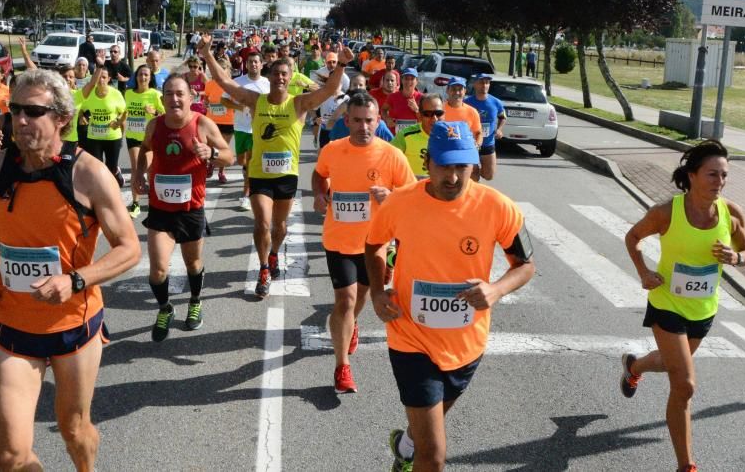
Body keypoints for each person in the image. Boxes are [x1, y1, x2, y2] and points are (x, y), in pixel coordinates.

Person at [0, 68, 140, 472]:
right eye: (15, 110)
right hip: (14, 325)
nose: (20, 120)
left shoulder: (88, 174)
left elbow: (129, 249)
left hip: (73, 326)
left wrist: (75, 279)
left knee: (73, 430)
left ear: (61, 118)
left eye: (33, 111)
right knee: (10, 456)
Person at [366, 121, 535, 471]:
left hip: (466, 343)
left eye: (462, 166)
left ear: (474, 165)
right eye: (445, 165)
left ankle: (405, 447)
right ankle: (416, 452)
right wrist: (378, 291)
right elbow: (373, 244)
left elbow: (525, 265)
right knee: (435, 455)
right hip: (410, 335)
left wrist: (496, 289)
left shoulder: (498, 207)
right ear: (428, 163)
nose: (453, 177)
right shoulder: (400, 203)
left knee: (427, 428)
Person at [621, 140, 745, 472]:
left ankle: (634, 367)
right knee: (685, 385)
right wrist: (644, 273)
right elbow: (632, 237)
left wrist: (735, 257)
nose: (719, 182)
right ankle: (686, 466)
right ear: (692, 175)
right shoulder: (667, 212)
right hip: (667, 304)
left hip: (704, 309)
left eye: (724, 176)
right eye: (712, 174)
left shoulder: (731, 212)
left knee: (669, 364)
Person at [198, 33, 354, 298]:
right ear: (269, 77)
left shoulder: (299, 104)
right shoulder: (256, 101)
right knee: (262, 223)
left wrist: (340, 65)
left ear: (290, 77)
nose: (280, 78)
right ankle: (262, 269)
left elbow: (329, 90)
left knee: (280, 227)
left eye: (285, 74)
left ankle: (273, 254)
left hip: (287, 175)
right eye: (276, 74)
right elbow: (224, 82)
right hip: (260, 174)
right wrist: (207, 54)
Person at [313, 93, 415, 393]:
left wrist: (393, 198)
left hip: (376, 245)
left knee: (359, 300)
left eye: (369, 120)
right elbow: (319, 176)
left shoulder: (392, 156)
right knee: (344, 300)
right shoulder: (332, 150)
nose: (363, 127)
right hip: (338, 240)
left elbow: (412, 197)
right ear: (347, 121)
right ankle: (342, 368)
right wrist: (320, 194)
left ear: (378, 121)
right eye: (356, 120)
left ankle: (351, 325)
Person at [134, 75, 234, 341]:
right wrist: (138, 174)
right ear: (163, 97)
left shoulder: (203, 124)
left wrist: (211, 154)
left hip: (191, 209)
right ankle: (165, 308)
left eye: (180, 93)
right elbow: (144, 150)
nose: (174, 99)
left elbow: (230, 156)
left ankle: (195, 301)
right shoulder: (154, 126)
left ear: (191, 97)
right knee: (157, 269)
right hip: (160, 209)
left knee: (193, 263)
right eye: (168, 94)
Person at [221, 50, 269, 211]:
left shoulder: (267, 84)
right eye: (250, 62)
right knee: (242, 160)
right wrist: (239, 107)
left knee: (250, 161)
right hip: (240, 127)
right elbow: (223, 100)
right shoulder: (237, 82)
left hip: (257, 129)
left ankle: (246, 194)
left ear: (261, 65)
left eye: (256, 62)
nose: (253, 64)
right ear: (246, 65)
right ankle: (247, 175)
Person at [124, 65, 164, 217]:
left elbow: (165, 114)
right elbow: (122, 112)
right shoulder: (128, 94)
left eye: (146, 75)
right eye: (140, 75)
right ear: (136, 77)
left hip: (148, 138)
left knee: (149, 170)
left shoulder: (155, 94)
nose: (143, 78)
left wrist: (153, 112)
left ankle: (153, 201)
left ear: (150, 78)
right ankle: (135, 204)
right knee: (136, 168)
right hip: (133, 137)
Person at [81, 65, 127, 187]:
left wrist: (118, 122)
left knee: (111, 167)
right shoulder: (89, 94)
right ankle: (103, 190)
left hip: (112, 137)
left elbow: (124, 112)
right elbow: (81, 108)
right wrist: (82, 117)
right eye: (99, 77)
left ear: (108, 79)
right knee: (97, 167)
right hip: (94, 136)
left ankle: (116, 172)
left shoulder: (116, 94)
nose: (101, 80)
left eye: (104, 77)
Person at [327, 74, 395, 142]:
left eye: (360, 85)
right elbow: (329, 126)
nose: (358, 88)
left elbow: (392, 145)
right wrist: (340, 110)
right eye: (355, 85)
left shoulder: (379, 124)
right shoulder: (341, 121)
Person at [391, 93, 444, 179]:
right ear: (420, 115)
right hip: (412, 188)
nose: (434, 118)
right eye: (428, 114)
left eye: (438, 113)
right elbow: (388, 160)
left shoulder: (452, 136)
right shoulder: (405, 135)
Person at [464, 73, 506, 181]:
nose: (484, 85)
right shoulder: (467, 102)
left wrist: (499, 129)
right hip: (471, 144)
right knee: (473, 175)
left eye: (487, 83)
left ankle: (477, 171)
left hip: (488, 143)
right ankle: (474, 176)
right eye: (481, 82)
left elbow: (503, 117)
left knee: (489, 175)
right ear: (475, 84)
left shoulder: (496, 102)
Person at [203, 60, 236, 184]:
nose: (220, 72)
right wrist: (206, 102)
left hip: (228, 121)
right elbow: (206, 97)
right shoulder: (210, 84)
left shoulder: (232, 85)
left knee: (224, 148)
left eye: (223, 69)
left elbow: (236, 101)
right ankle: (211, 165)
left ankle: (221, 172)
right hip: (211, 121)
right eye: (218, 69)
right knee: (211, 146)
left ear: (228, 70)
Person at [441, 77, 483, 148]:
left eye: (460, 89)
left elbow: (478, 133)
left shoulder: (472, 111)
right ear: (447, 90)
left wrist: (477, 144)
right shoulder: (439, 110)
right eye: (453, 89)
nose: (457, 92)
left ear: (465, 91)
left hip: (464, 153)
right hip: (444, 151)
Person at [382, 68, 422, 135]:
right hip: (395, 136)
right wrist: (387, 119)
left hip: (414, 136)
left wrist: (417, 110)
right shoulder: (392, 97)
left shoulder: (421, 98)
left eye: (412, 79)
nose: (409, 81)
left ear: (416, 81)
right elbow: (383, 110)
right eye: (406, 78)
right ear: (402, 80)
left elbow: (425, 120)